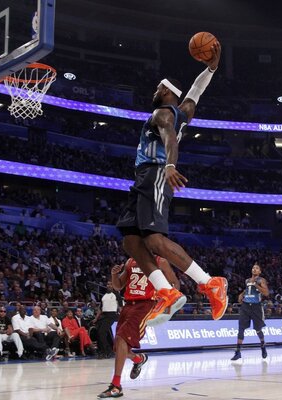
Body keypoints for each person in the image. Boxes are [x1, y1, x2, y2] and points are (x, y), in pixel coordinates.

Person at [116, 40, 227, 327]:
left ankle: (210, 283)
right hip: (145, 178)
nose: (154, 91)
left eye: (157, 88)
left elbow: (167, 138)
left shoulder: (162, 114)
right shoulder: (183, 111)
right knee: (131, 240)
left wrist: (169, 165)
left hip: (154, 174)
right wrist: (211, 69)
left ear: (165, 91)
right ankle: (165, 291)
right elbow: (195, 92)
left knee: (153, 239)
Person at [98, 256, 178, 398]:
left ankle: (116, 386)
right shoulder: (130, 261)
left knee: (122, 339)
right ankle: (139, 359)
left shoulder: (161, 262)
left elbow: (175, 284)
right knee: (119, 348)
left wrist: (167, 305)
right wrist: (114, 274)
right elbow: (118, 286)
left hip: (145, 305)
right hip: (128, 305)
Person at [230, 263, 269, 362]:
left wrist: (257, 285)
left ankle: (263, 346)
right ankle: (238, 351)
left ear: (260, 271)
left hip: (256, 307)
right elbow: (248, 289)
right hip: (246, 306)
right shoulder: (247, 280)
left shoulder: (261, 280)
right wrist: (241, 294)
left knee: (258, 329)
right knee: (241, 328)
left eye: (257, 268)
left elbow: (266, 293)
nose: (254, 269)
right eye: (253, 268)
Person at [94, 282, 119, 359]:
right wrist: (96, 318)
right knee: (98, 332)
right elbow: (100, 309)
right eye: (108, 284)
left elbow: (121, 307)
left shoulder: (116, 295)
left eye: (111, 284)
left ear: (113, 286)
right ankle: (102, 351)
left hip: (112, 316)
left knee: (102, 332)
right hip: (104, 316)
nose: (109, 285)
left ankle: (108, 351)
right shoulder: (104, 296)